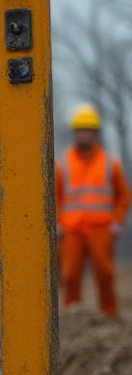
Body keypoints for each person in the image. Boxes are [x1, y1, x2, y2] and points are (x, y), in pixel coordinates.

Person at [56, 103, 129, 317]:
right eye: (80, 130)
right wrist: (59, 223)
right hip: (71, 231)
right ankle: (72, 318)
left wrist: (117, 221)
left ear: (94, 132)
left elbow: (124, 195)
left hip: (101, 230)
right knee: (70, 276)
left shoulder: (110, 163)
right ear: (74, 133)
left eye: (88, 130)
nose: (84, 134)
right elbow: (54, 198)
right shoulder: (62, 164)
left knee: (105, 275)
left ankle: (110, 317)